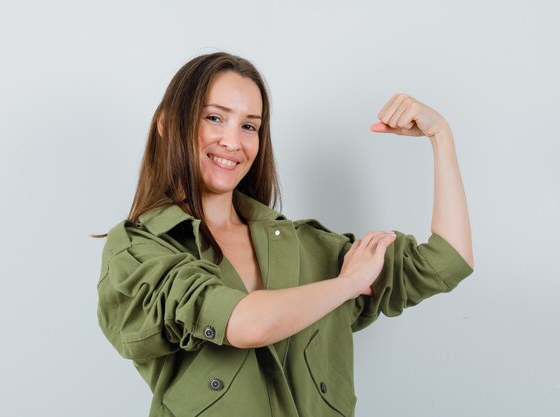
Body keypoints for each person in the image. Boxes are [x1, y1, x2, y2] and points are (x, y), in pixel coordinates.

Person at [94, 51, 474, 417]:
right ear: (165, 124)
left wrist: (441, 137)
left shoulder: (306, 247)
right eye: (214, 117)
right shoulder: (138, 249)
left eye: (249, 126)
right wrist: (347, 283)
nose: (233, 141)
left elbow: (448, 260)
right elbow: (245, 323)